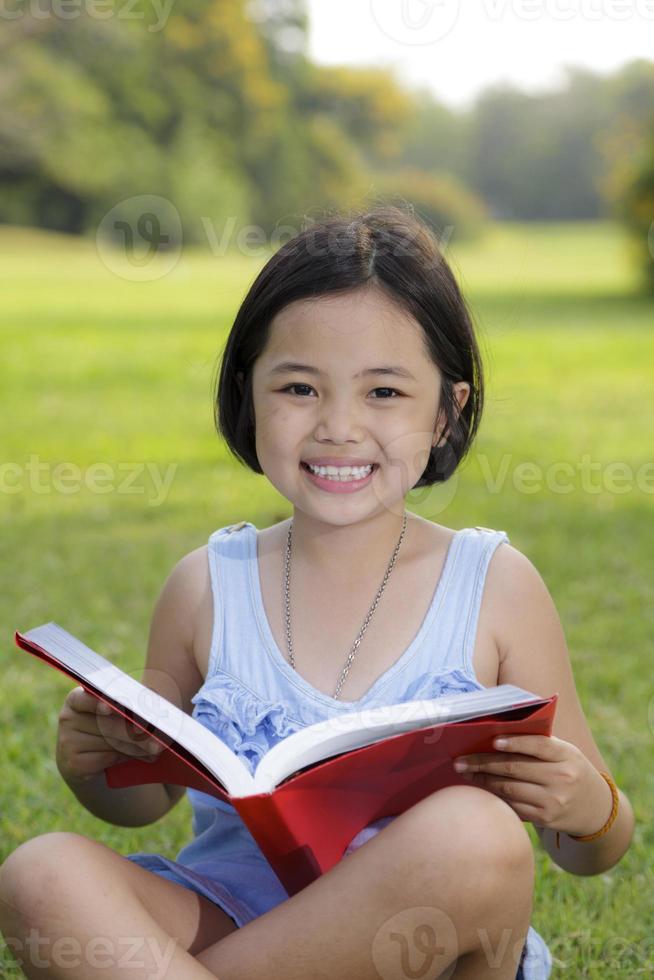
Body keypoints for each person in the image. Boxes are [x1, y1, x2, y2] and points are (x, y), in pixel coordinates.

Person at [0, 205, 634, 980]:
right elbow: (147, 799)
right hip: (228, 916)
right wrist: (93, 764)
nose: (338, 427)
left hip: (422, 945)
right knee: (40, 872)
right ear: (248, 393)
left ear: (447, 412)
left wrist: (586, 808)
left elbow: (596, 846)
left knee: (478, 835)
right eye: (299, 387)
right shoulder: (205, 586)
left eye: (384, 394)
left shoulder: (495, 587)